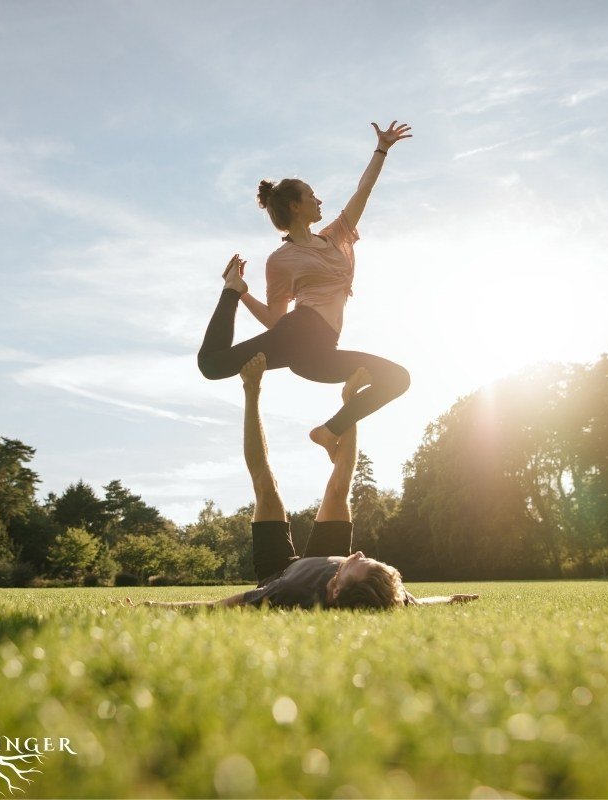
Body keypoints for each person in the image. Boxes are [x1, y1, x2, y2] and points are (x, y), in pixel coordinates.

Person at [129, 354, 478, 611]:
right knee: (339, 491)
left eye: (356, 563)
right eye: (368, 559)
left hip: (279, 571)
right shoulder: (385, 592)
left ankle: (252, 390)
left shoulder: (289, 591)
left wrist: (153, 605)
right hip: (322, 560)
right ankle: (349, 405)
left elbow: (219, 606)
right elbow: (420, 602)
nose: (358, 553)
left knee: (267, 488)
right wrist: (451, 599)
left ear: (336, 590)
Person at [197, 121, 413, 462]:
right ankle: (230, 290)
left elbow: (363, 192)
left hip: (319, 354)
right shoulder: (280, 260)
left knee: (397, 379)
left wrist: (382, 149)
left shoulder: (334, 236)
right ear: (296, 206)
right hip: (299, 332)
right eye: (311, 195)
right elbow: (275, 319)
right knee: (212, 365)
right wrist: (242, 294)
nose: (318, 199)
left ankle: (327, 432)